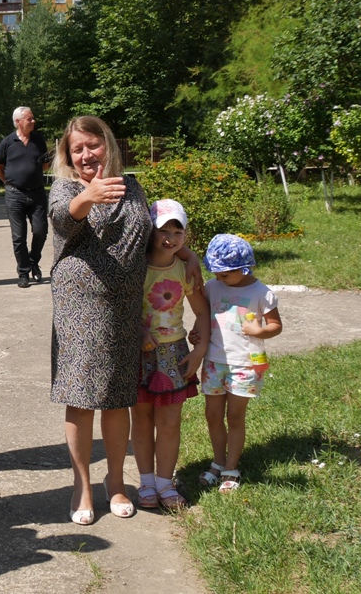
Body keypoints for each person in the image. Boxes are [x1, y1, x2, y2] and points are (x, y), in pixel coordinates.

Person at [48, 115, 200, 526]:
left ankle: (115, 483)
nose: (85, 155)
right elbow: (63, 219)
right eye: (76, 149)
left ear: (108, 146)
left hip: (125, 309)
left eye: (92, 145)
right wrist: (90, 196)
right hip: (79, 308)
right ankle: (82, 487)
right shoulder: (65, 188)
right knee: (81, 399)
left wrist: (185, 255)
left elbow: (155, 235)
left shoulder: (132, 186)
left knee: (118, 399)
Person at [131, 199, 210, 511]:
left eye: (178, 230)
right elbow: (121, 307)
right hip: (138, 353)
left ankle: (165, 483)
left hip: (174, 355)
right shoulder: (135, 268)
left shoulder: (185, 270)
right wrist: (139, 331)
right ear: (150, 232)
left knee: (169, 423)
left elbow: (202, 313)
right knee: (140, 419)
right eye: (163, 229)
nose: (171, 237)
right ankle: (146, 482)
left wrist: (199, 351)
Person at [196, 234, 282, 494]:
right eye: (216, 274)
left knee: (235, 416)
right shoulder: (213, 287)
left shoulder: (262, 293)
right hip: (214, 361)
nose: (219, 278)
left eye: (225, 274)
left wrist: (259, 331)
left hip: (244, 364)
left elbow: (276, 326)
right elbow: (203, 316)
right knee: (212, 415)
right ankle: (217, 461)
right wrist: (196, 332)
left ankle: (231, 466)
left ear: (244, 269)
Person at [0, 107, 49, 288]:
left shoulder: (39, 141)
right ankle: (24, 272)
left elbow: (46, 165)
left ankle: (34, 261)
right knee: (19, 237)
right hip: (14, 194)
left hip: (38, 193)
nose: (33, 121)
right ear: (18, 121)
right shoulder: (7, 142)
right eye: (29, 119)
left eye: (33, 118)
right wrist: (9, 183)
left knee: (40, 231)